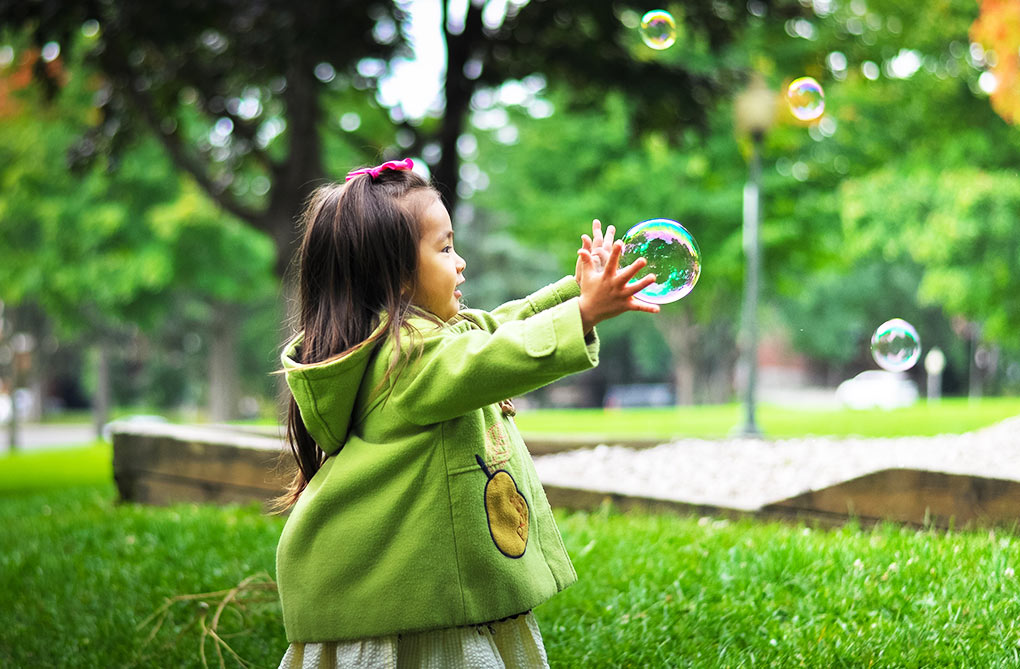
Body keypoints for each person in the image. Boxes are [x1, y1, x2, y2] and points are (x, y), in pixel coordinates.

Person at [274, 158, 659, 669]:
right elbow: (495, 356)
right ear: (398, 277)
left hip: (424, 589)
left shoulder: (423, 341)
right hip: (410, 607)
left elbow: (500, 325)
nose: (461, 263)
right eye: (445, 247)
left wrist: (574, 291)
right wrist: (583, 313)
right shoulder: (407, 360)